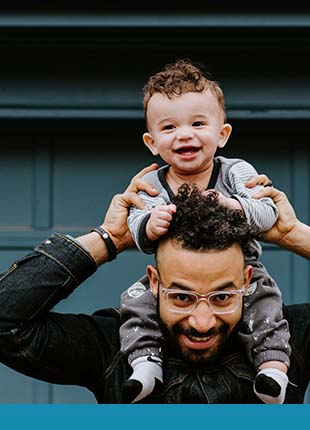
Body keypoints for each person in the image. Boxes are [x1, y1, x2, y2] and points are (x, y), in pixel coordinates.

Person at [0, 165, 310, 403]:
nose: (203, 320)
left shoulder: (289, 340)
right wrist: (108, 241)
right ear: (154, 282)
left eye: (224, 296)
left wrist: (294, 235)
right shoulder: (111, 348)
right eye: (182, 297)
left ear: (248, 280)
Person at [121, 59, 288, 404]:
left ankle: (272, 369)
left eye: (198, 123)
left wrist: (235, 207)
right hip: (174, 277)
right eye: (169, 128)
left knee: (266, 303)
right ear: (152, 142)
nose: (184, 134)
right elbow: (135, 227)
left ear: (222, 134)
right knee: (135, 303)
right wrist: (148, 225)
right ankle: (145, 364)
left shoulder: (235, 172)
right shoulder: (151, 182)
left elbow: (267, 212)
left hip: (243, 269)